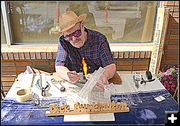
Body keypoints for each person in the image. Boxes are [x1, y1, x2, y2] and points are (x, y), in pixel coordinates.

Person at [55, 11, 116, 88]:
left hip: (98, 83)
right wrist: (67, 75)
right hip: (75, 85)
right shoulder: (63, 41)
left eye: (76, 33)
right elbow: (59, 66)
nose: (73, 39)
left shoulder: (99, 39)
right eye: (68, 36)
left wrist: (104, 76)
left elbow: (110, 66)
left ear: (82, 27)